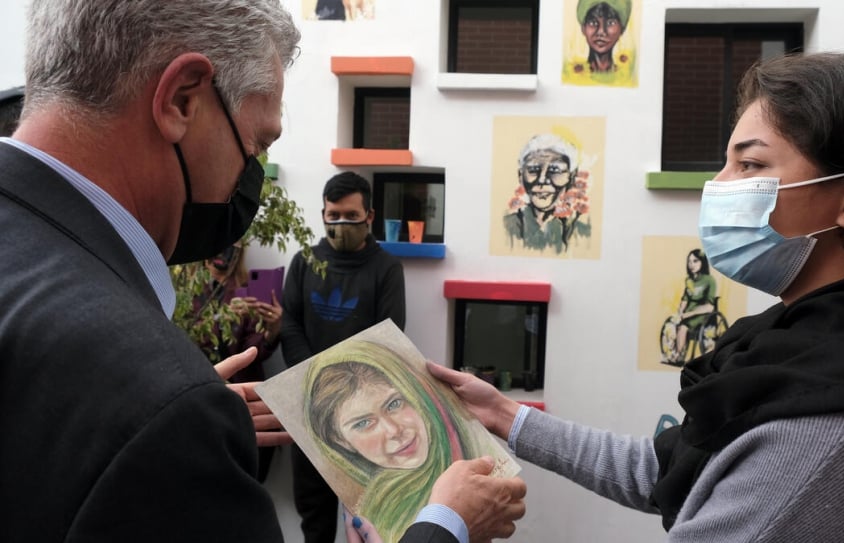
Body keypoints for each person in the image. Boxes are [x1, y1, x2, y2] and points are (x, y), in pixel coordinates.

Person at [0, 2, 524, 542]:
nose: (250, 180)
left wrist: (177, 416)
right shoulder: (161, 405)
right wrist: (446, 524)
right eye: (256, 144)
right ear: (182, 98)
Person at [431, 52, 844, 541]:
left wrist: (447, 527)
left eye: (751, 165)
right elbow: (674, 469)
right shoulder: (828, 347)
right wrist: (505, 414)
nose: (719, 184)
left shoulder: (830, 422)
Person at [280, 171, 407, 543]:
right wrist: (315, 380)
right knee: (314, 519)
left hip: (364, 414)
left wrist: (346, 394)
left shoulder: (386, 269)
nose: (341, 225)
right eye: (333, 216)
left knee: (367, 522)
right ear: (322, 213)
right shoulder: (305, 261)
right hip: (308, 408)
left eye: (351, 217)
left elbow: (388, 338)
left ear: (370, 216)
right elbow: (289, 324)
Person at [305, 340, 518, 543]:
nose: (394, 431)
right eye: (363, 423)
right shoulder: (377, 511)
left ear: (417, 396)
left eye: (394, 403)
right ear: (340, 442)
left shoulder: (475, 455)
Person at [195, 242, 284, 481]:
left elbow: (253, 352)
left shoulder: (248, 291)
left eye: (232, 244)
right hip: (201, 400)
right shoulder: (189, 292)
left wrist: (272, 330)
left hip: (243, 402)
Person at [504, 133, 592, 253]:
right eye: (533, 170)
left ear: (571, 178)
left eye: (555, 170)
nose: (542, 180)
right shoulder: (506, 227)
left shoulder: (581, 232)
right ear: (521, 176)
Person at [563, 0, 636, 86]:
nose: (601, 32)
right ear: (583, 28)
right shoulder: (569, 75)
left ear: (622, 29)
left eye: (610, 23)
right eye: (593, 22)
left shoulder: (628, 76)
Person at [665, 248, 717, 365]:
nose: (691, 265)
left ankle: (678, 355)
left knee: (683, 327)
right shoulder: (689, 280)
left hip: (702, 314)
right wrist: (680, 312)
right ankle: (673, 350)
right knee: (672, 324)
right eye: (689, 262)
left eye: (695, 261)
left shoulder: (709, 280)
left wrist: (688, 314)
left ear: (702, 262)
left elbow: (710, 306)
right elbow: (685, 299)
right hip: (687, 313)